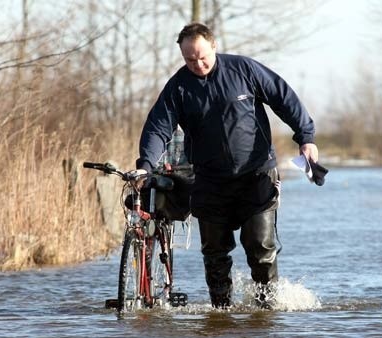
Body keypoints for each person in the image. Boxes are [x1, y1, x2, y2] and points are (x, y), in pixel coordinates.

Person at [132, 22, 319, 309]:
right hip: (208, 179)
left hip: (256, 174)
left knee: (261, 248)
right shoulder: (179, 87)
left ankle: (265, 312)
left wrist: (305, 137)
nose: (198, 63)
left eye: (202, 56)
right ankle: (221, 312)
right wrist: (145, 164)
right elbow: (158, 127)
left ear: (214, 46)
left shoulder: (244, 70)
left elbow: (284, 98)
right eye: (189, 59)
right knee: (214, 253)